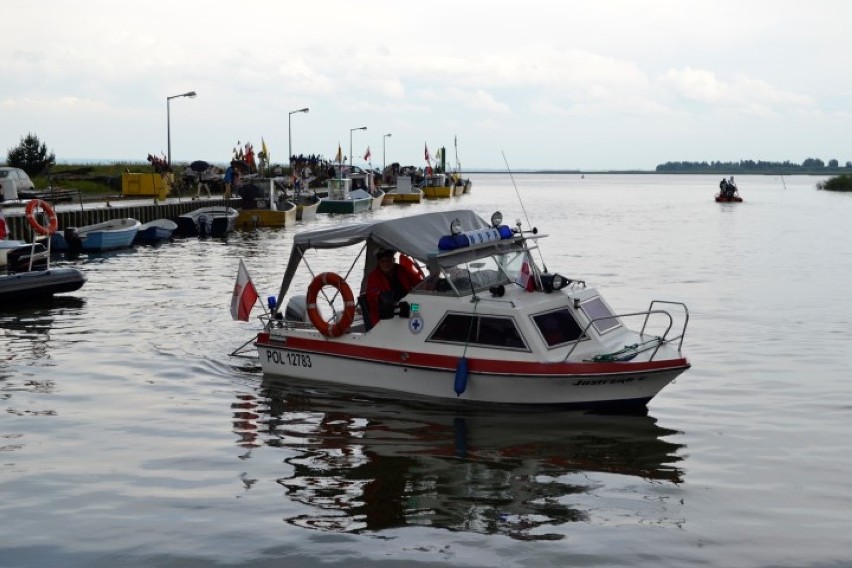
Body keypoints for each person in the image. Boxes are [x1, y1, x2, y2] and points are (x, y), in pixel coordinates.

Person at [364, 248, 423, 328]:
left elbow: (419, 283)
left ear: (393, 260)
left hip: (408, 306)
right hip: (386, 316)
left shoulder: (401, 269)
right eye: (383, 261)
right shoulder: (374, 278)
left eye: (389, 260)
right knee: (418, 310)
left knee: (422, 308)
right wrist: (394, 304)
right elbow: (373, 302)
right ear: (378, 263)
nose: (386, 264)